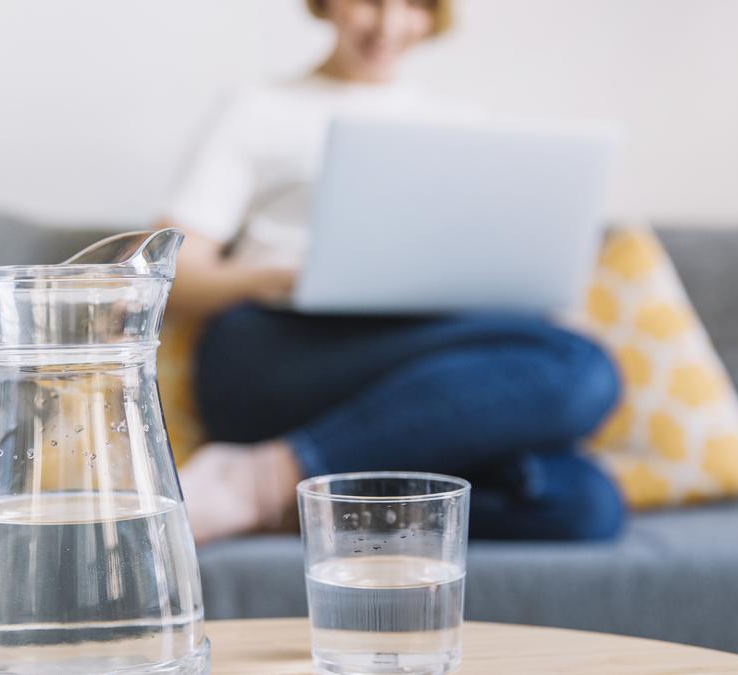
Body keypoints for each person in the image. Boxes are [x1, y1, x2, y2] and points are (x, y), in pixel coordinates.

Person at [159, 0, 626, 543]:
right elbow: (174, 277)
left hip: (415, 359)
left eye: (412, 6)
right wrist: (281, 276)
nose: (389, 25)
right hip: (278, 349)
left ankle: (303, 500)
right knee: (582, 367)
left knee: (587, 502)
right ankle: (260, 480)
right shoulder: (258, 108)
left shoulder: (460, 129)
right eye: (369, 3)